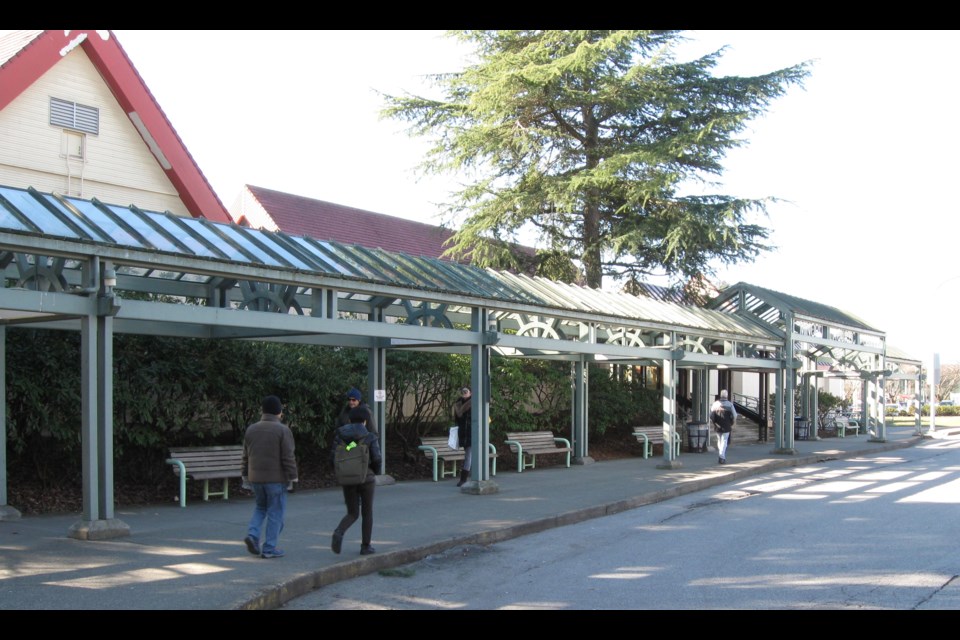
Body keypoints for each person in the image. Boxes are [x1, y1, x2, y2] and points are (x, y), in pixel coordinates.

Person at [242, 395, 298, 559]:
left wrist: (245, 475)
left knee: (260, 508)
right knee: (275, 513)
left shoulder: (251, 429)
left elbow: (245, 456)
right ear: (279, 412)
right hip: (276, 479)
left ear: (263, 411)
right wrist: (293, 477)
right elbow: (288, 457)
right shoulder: (283, 430)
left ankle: (252, 535)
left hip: (255, 478)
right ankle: (269, 547)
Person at [330, 405, 382, 556]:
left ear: (350, 420)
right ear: (365, 421)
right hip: (367, 478)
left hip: (348, 478)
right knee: (367, 513)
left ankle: (339, 531)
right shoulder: (369, 437)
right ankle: (366, 546)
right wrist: (375, 472)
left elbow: (333, 457)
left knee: (352, 512)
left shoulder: (341, 436)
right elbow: (377, 458)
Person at [452, 386, 473, 487]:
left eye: (466, 391)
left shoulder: (475, 403)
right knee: (469, 454)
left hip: (472, 433)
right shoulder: (458, 404)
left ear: (471, 393)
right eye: (462, 391)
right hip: (463, 433)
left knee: (468, 455)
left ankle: (463, 479)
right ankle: (473, 475)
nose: (464, 393)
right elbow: (457, 420)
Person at [710, 390, 737, 465]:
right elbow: (735, 415)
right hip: (727, 425)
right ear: (727, 396)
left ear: (720, 395)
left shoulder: (715, 404)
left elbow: (711, 415)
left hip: (717, 425)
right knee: (724, 441)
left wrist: (714, 422)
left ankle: (721, 454)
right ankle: (722, 457)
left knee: (719, 440)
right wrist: (732, 422)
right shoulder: (730, 405)